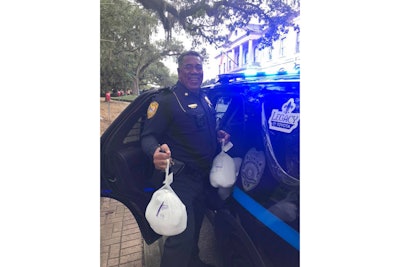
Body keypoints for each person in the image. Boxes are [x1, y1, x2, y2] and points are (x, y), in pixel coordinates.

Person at [141, 50, 230, 267]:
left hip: (202, 178)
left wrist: (217, 135)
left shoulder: (205, 98)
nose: (194, 71)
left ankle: (193, 261)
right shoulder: (167, 100)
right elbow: (148, 135)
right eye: (189, 67)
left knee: (197, 225)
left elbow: (200, 128)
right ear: (179, 71)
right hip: (180, 179)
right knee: (180, 235)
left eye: (198, 67)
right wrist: (155, 152)